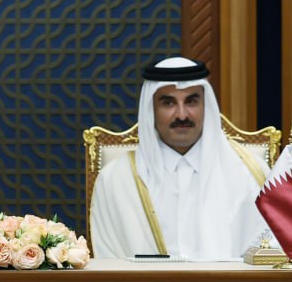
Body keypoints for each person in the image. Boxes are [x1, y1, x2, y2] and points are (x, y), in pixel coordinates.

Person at [89, 55, 272, 259]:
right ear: (151, 110)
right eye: (168, 103)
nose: (182, 115)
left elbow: (270, 258)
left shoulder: (250, 175)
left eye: (191, 101)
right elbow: (108, 262)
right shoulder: (115, 180)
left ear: (206, 106)